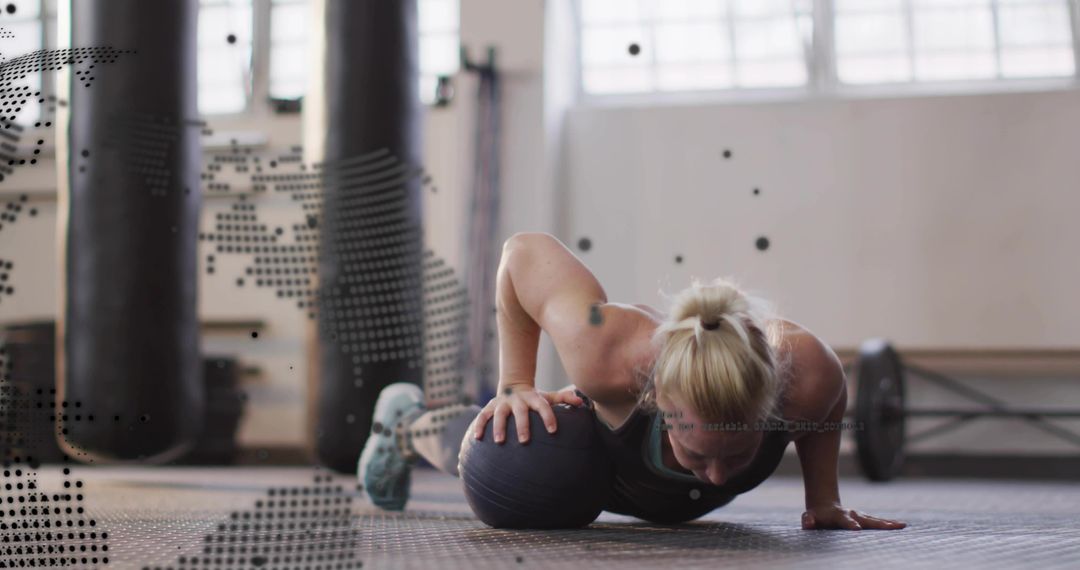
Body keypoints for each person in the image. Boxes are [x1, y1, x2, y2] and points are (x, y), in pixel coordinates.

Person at [358, 232, 906, 531]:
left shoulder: (804, 372)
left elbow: (827, 406)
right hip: (590, 464)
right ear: (658, 397)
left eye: (735, 455)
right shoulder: (606, 349)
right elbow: (521, 254)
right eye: (696, 452)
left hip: (663, 497)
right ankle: (403, 428)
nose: (717, 477)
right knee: (517, 452)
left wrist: (824, 499)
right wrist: (514, 383)